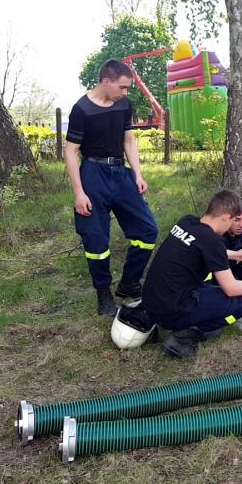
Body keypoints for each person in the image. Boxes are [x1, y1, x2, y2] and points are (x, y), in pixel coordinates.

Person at [65, 59, 159, 317]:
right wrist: (79, 192)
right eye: (123, 87)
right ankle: (103, 294)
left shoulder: (124, 105)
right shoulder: (81, 109)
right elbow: (71, 152)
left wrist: (138, 175)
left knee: (148, 230)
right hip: (93, 175)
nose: (125, 93)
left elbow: (129, 140)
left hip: (121, 175)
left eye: (127, 88)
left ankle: (129, 283)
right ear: (106, 82)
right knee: (96, 240)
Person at [135, 190, 242, 358]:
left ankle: (178, 323)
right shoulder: (213, 240)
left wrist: (235, 254)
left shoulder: (186, 222)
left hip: (150, 302)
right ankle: (185, 336)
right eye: (233, 220)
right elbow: (231, 288)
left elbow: (202, 248)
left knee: (209, 289)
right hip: (170, 312)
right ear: (225, 217)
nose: (235, 225)